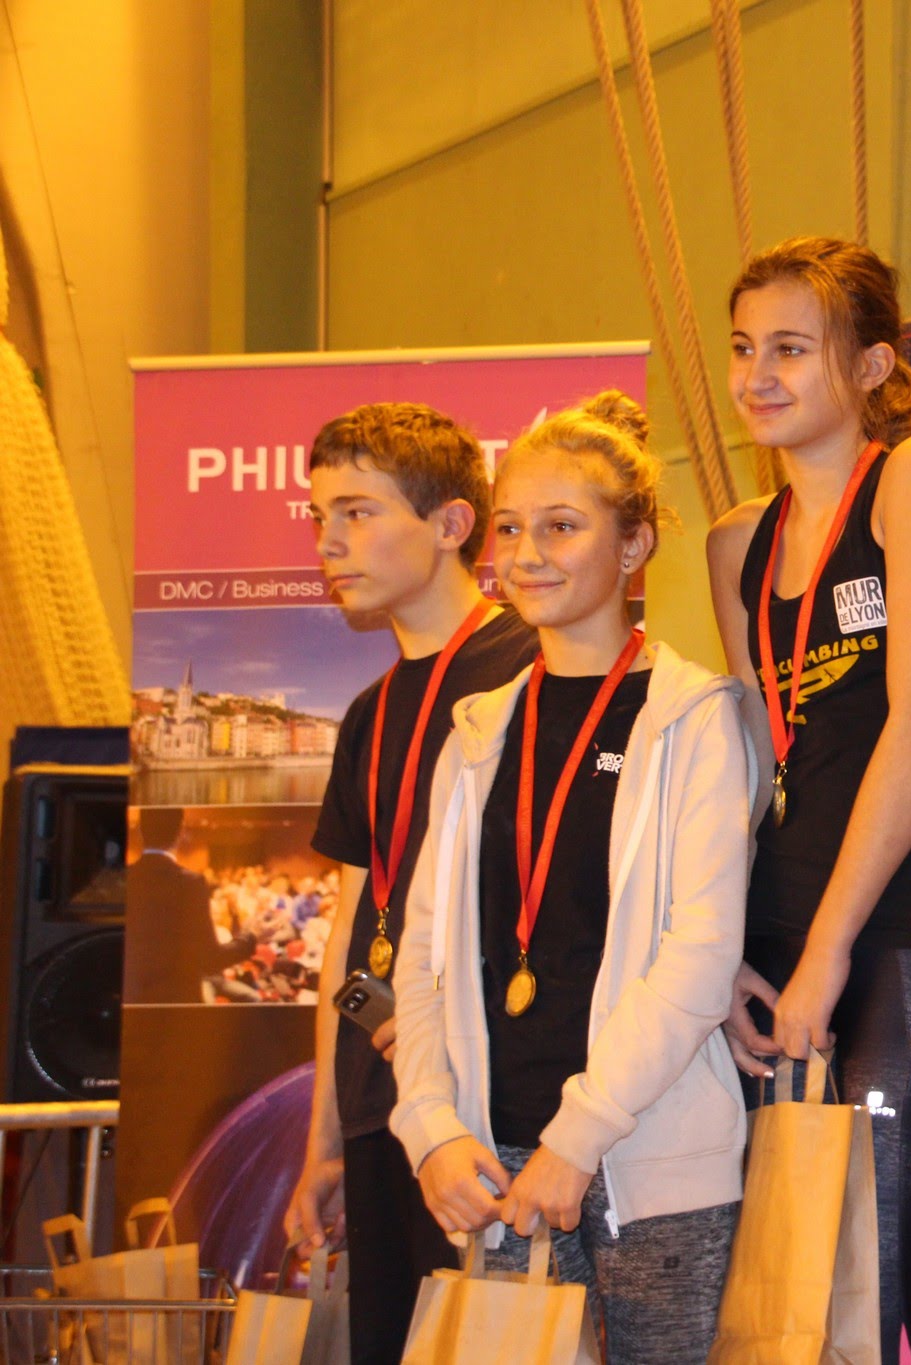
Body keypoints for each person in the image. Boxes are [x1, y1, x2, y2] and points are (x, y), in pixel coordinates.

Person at [390, 393, 754, 1363]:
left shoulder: (693, 719)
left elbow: (701, 955)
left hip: (649, 1158)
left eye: (561, 526)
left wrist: (577, 1137)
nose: (527, 553)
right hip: (495, 1157)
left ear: (634, 545)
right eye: (510, 527)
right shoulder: (476, 733)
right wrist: (430, 1126)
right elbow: (423, 957)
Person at [705, 235, 911, 1360]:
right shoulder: (737, 540)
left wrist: (827, 951)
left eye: (791, 348)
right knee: (781, 1295)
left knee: (872, 1293)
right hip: (778, 937)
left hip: (904, 933)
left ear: (871, 366)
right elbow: (751, 762)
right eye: (743, 349)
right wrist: (727, 951)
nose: (757, 375)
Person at [287, 402, 535, 1362]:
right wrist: (327, 1136)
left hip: (486, 1103)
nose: (329, 542)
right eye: (321, 517)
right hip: (380, 1099)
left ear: (451, 524)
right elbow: (352, 925)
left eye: (357, 512)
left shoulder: (533, 670)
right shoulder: (368, 711)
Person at [125, 807, 254, 1003]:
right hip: (177, 1004)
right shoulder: (190, 883)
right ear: (180, 832)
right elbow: (210, 960)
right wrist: (251, 937)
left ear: (141, 830)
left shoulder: (123, 880)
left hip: (131, 1001)